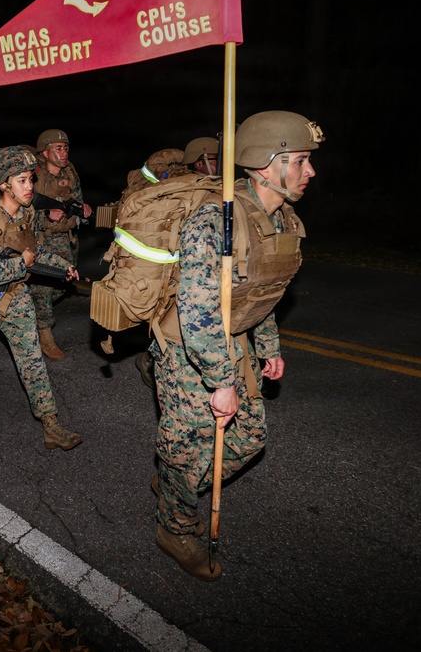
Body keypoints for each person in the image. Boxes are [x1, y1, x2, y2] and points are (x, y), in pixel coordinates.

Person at [153, 111, 323, 581]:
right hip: (190, 348)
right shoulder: (215, 224)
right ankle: (174, 527)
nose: (310, 171)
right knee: (190, 446)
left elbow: (264, 293)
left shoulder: (282, 218)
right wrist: (221, 381)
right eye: (300, 160)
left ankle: (175, 483)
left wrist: (269, 346)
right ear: (266, 165)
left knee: (248, 439)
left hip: (234, 341)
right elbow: (198, 310)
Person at [0, 146, 83, 451]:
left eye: (30, 180)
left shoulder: (26, 214)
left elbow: (34, 250)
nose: (29, 187)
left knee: (32, 360)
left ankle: (51, 424)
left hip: (16, 297)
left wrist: (63, 265)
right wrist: (21, 264)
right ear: (3, 184)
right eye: (22, 180)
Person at [136, 136, 221, 388]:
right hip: (178, 269)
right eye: (215, 161)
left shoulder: (218, 187)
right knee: (174, 325)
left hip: (208, 267)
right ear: (199, 163)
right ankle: (152, 360)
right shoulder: (181, 188)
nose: (220, 166)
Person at [30, 129, 92, 360]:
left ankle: (30, 310)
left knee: (61, 285)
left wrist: (83, 210)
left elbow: (76, 199)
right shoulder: (32, 177)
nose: (64, 152)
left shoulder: (70, 172)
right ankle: (45, 337)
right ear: (45, 152)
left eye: (65, 147)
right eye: (58, 148)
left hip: (66, 240)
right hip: (42, 241)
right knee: (43, 290)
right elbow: (16, 212)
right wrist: (44, 216)